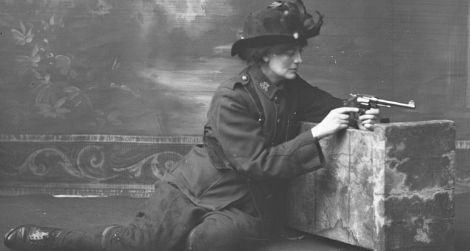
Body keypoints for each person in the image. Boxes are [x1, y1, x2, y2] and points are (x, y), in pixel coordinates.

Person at [3, 0, 380, 250]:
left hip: (247, 204)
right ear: (264, 54)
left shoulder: (292, 87)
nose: (298, 59)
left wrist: (361, 113)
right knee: (135, 244)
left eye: (300, 51)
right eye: (289, 52)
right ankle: (44, 237)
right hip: (195, 187)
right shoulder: (232, 97)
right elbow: (257, 163)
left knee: (207, 242)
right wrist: (317, 132)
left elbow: (333, 105)